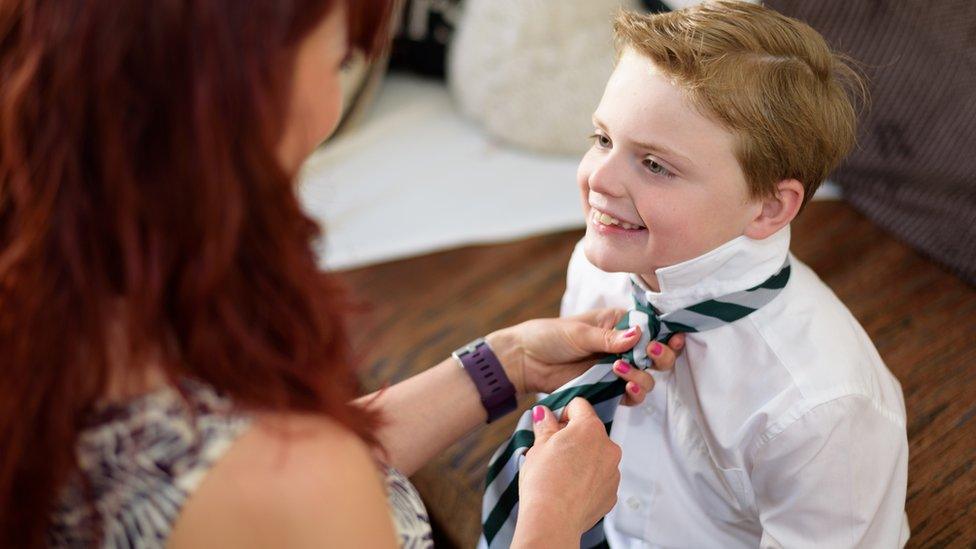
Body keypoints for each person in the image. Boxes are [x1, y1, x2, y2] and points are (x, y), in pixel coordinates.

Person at [0, 1, 685, 548]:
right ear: (235, 98)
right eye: (340, 61)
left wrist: (503, 363)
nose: (333, 104)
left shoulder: (73, 294)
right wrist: (552, 522)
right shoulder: (282, 484)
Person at [554, 2, 910, 547]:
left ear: (769, 208)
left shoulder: (823, 409)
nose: (599, 179)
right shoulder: (599, 264)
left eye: (654, 164)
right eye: (602, 139)